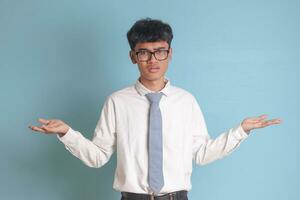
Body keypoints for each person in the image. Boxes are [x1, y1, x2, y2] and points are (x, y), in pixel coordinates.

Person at [29, 18, 282, 200]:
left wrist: (241, 130)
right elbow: (98, 157)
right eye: (144, 53)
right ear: (132, 56)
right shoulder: (117, 102)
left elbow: (203, 154)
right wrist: (66, 133)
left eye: (159, 52)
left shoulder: (186, 101)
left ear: (170, 54)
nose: (152, 60)